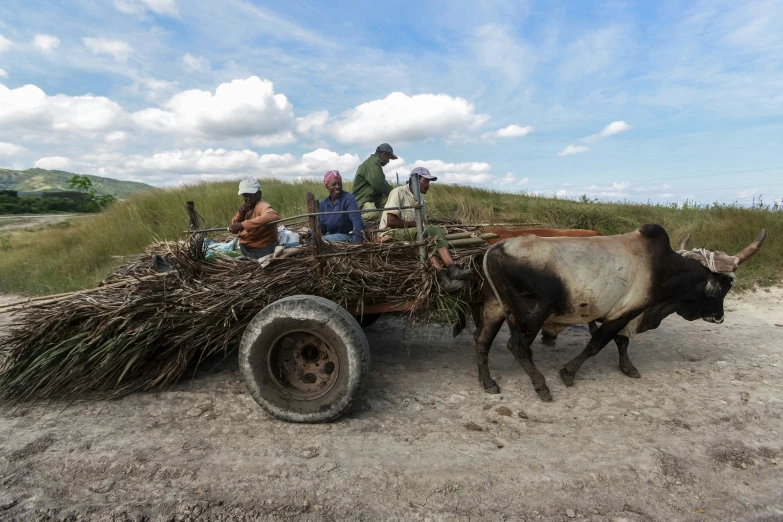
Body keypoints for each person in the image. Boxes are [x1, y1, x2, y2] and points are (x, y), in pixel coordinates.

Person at [380, 167, 472, 293]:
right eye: (426, 181)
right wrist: (420, 225)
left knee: (429, 235)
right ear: (416, 180)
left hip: (413, 233)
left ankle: (447, 275)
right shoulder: (398, 192)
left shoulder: (421, 201)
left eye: (429, 182)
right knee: (427, 231)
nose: (428, 185)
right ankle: (449, 272)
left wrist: (441, 229)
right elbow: (391, 221)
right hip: (391, 234)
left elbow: (425, 225)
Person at [228, 179, 280, 259]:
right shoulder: (247, 207)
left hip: (262, 249)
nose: (248, 198)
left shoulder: (262, 205)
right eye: (245, 195)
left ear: (259, 194)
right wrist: (240, 215)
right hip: (247, 247)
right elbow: (233, 226)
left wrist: (243, 225)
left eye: (251, 195)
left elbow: (273, 216)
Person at [352, 143, 397, 222]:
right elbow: (379, 183)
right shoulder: (372, 163)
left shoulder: (374, 163)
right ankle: (350, 221)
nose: (388, 161)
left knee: (395, 203)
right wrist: (394, 193)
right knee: (373, 214)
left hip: (375, 198)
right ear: (383, 155)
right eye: (388, 158)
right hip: (364, 199)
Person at [318, 170, 364, 243]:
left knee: (320, 241)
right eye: (334, 184)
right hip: (330, 236)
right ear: (327, 185)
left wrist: (356, 240)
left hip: (346, 235)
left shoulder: (348, 198)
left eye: (340, 184)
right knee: (311, 241)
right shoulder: (324, 204)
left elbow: (356, 220)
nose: (337, 187)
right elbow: (322, 226)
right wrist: (311, 234)